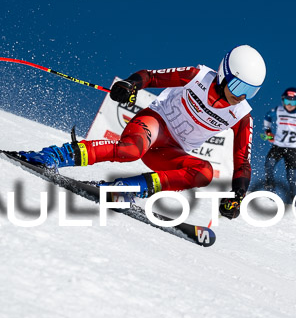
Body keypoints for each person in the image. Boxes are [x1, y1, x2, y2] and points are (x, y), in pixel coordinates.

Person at [17, 45, 266, 220]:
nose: (241, 95)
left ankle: (125, 189)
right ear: (224, 74)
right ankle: (52, 156)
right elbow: (150, 76)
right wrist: (130, 84)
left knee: (204, 172)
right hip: (155, 123)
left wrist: (238, 194)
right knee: (130, 150)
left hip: (170, 151)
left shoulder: (241, 115)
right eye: (238, 85)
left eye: (250, 91)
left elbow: (241, 161)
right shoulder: (197, 76)